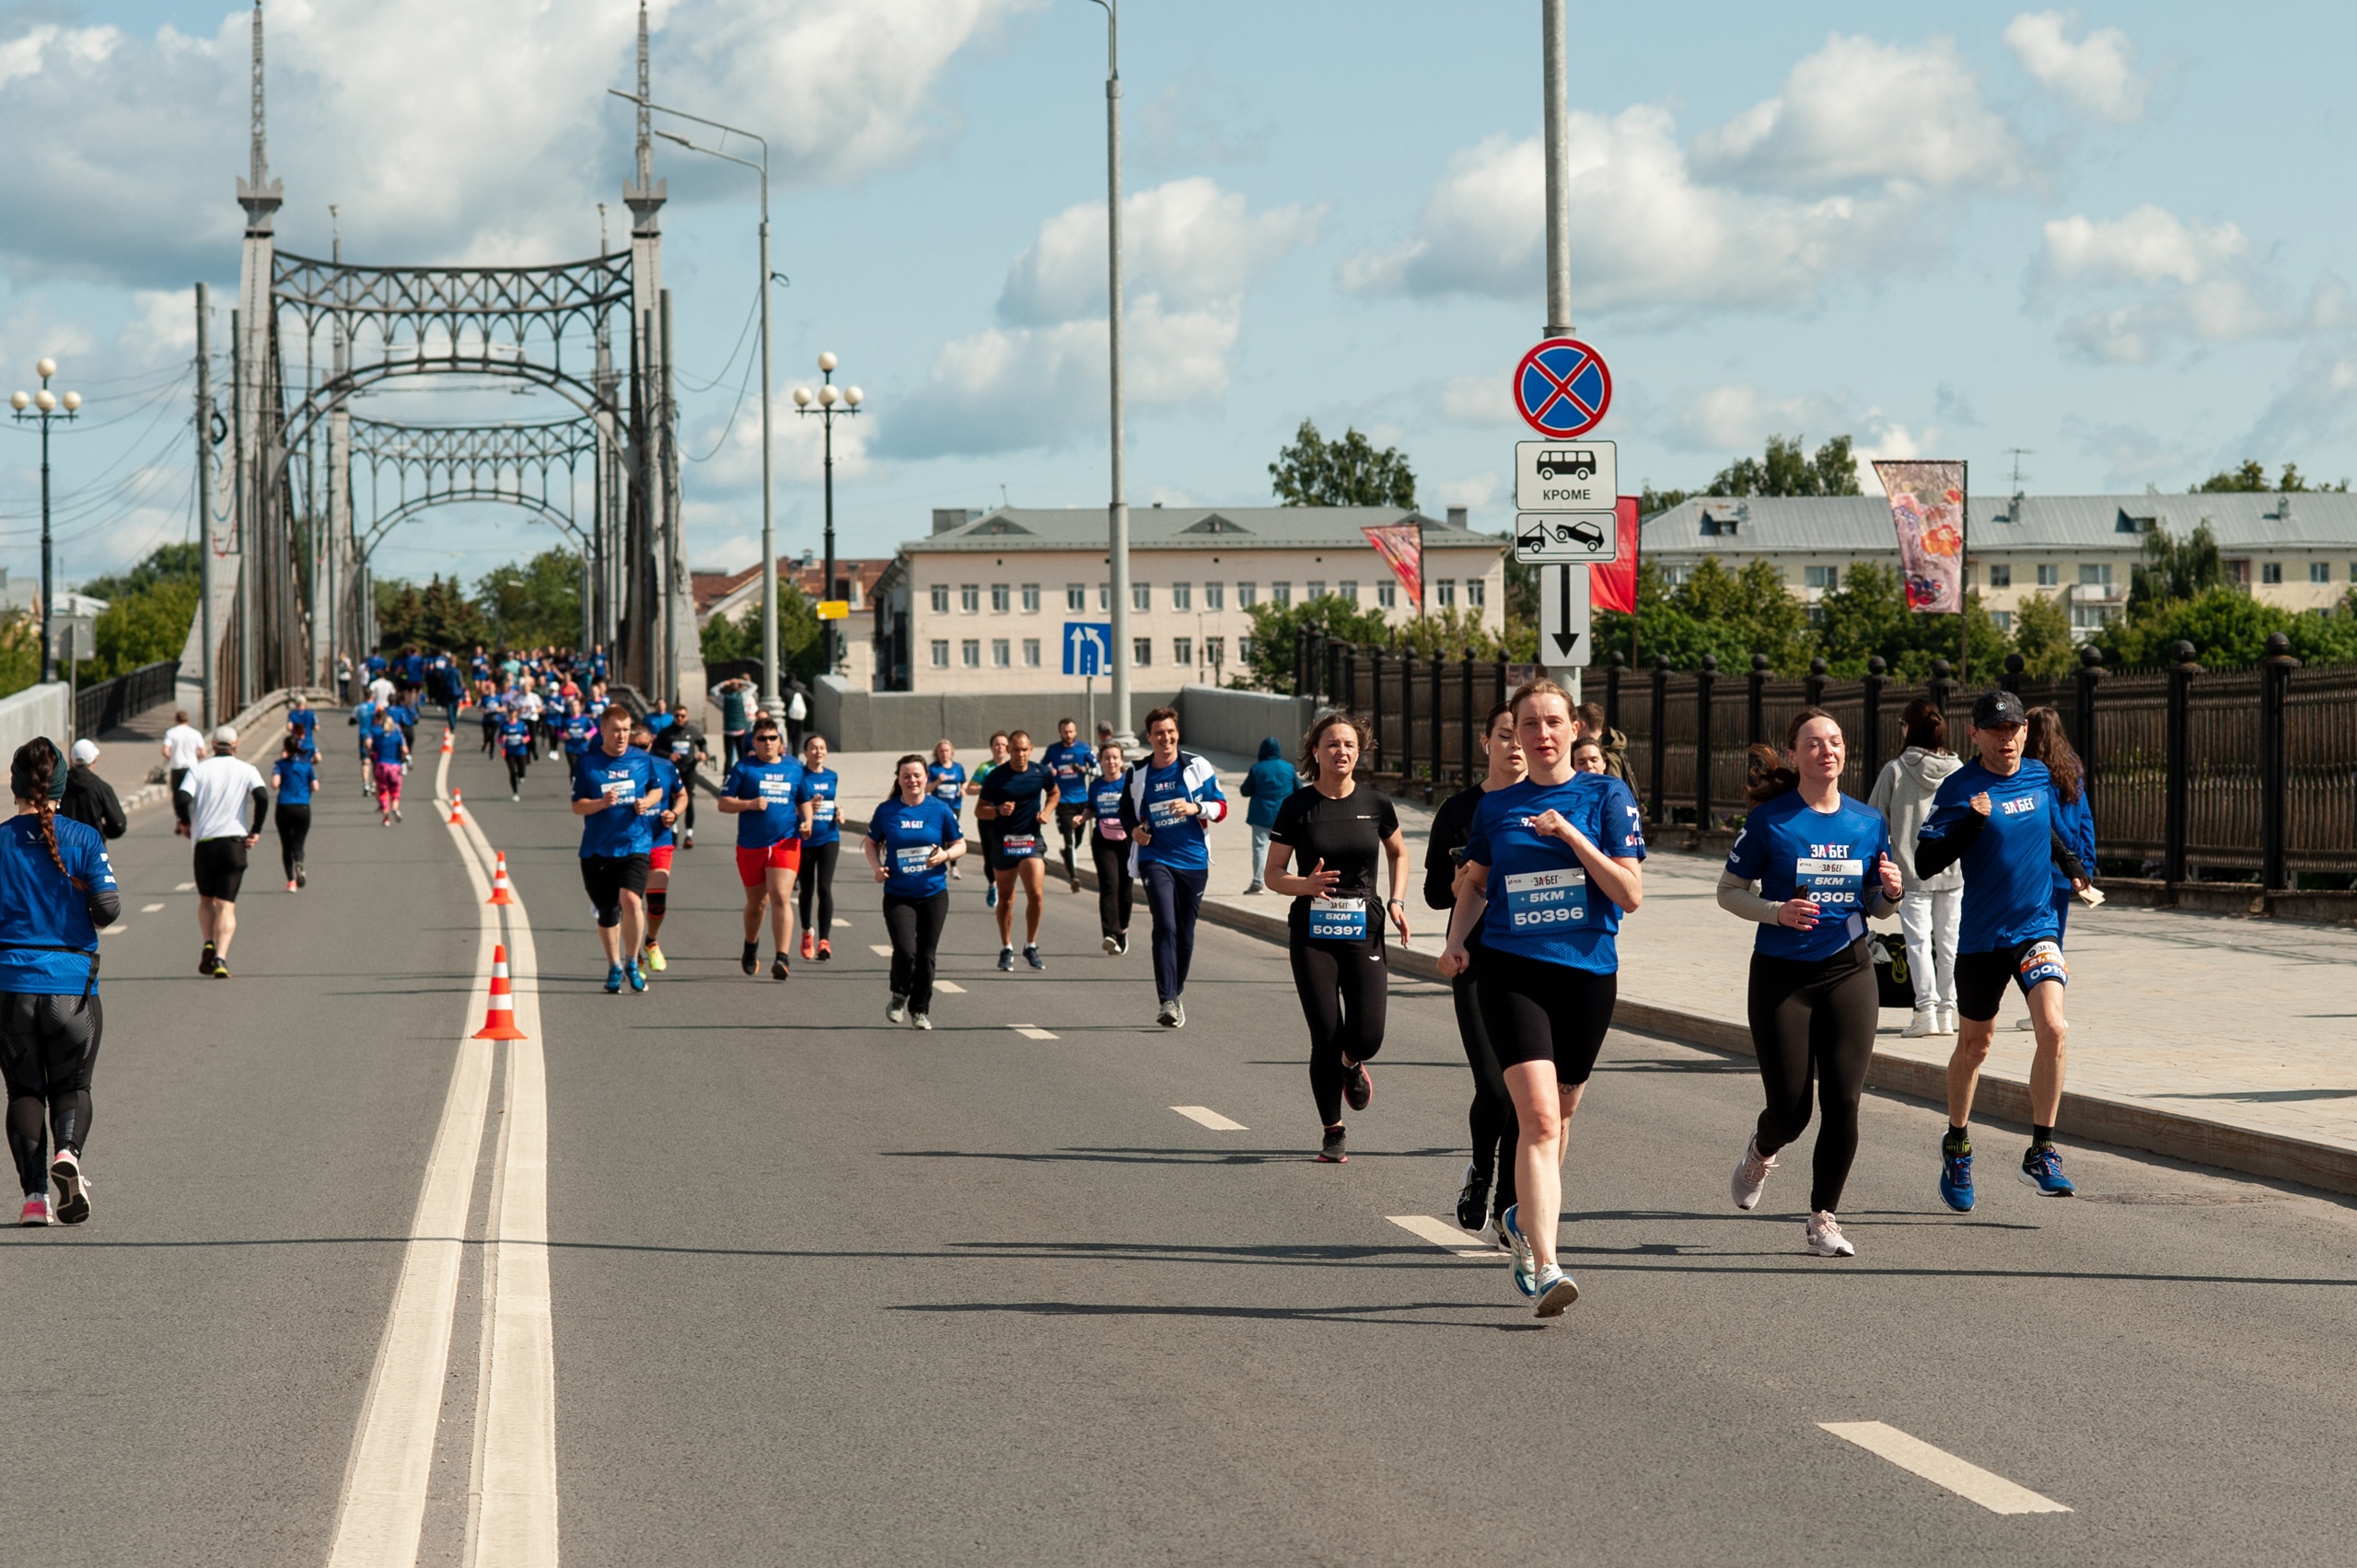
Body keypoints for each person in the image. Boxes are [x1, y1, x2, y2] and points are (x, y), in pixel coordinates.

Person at [1439, 679, 1645, 1318]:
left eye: (1554, 722)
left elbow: (1629, 893)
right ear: (1516, 734)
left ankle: (1525, 1214)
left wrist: (1571, 837)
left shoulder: (1606, 794)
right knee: (1540, 1118)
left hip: (1586, 974)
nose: (1543, 734)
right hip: (1513, 972)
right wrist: (1454, 941)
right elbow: (1473, 883)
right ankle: (1546, 1260)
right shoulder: (1497, 808)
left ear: (1574, 728)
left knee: (1564, 1110)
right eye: (1529, 724)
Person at [1720, 710, 1904, 1260]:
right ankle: (1762, 1148)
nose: (1828, 751)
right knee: (1792, 1110)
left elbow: (1876, 907)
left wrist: (1890, 893)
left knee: (1844, 1100)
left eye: (1836, 742)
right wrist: (1776, 911)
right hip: (1782, 975)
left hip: (1849, 968)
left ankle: (1823, 1217)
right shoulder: (1771, 821)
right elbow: (1729, 891)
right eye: (1815, 744)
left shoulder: (1867, 822)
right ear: (1795, 755)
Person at [1916, 690, 2092, 1211]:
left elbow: (2048, 834)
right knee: (1975, 1047)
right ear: (1975, 735)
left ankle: (2041, 1150)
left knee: (2055, 1029)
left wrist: (2074, 866)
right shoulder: (1959, 788)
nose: (2007, 738)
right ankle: (1957, 1144)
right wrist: (1971, 821)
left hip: (2036, 928)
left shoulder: (2038, 774)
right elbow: (1926, 862)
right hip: (1983, 940)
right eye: (1996, 730)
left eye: (2014, 728)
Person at [1263, 713, 1410, 1163]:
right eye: (1331, 744)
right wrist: (1304, 886)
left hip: (1364, 926)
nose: (1341, 751)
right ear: (1315, 752)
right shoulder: (1298, 807)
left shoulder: (1377, 803)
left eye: (1349, 744)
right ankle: (1333, 1130)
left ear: (1359, 751)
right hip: (1312, 932)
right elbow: (1272, 874)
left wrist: (1398, 901)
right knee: (1325, 1034)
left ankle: (1352, 1065)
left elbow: (1399, 852)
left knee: (1368, 1034)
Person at [0, 738, 118, 1225]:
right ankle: (67, 1155)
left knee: (24, 1092)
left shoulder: (1, 839)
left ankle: (33, 1200)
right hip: (72, 990)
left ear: (15, 785)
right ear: (61, 788)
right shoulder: (85, 839)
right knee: (73, 1087)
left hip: (11, 989)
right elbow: (108, 910)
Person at [1425, 703, 1523, 1242]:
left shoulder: (1545, 807)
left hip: (1533, 962)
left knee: (1526, 1091)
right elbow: (1435, 894)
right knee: (1494, 1086)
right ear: (1486, 743)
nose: (1515, 745)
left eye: (1522, 734)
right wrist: (1463, 880)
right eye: (1504, 736)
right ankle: (1480, 1172)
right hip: (1476, 960)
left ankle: (1511, 1205)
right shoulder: (1460, 810)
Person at [1120, 707, 1228, 1028]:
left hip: (1193, 860)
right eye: (1158, 733)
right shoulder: (1138, 772)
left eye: (1170, 732)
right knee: (1165, 924)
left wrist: (1195, 807)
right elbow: (1126, 811)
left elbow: (1221, 809)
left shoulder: (1197, 766)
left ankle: (1176, 992)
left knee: (1185, 933)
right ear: (1149, 737)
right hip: (1156, 858)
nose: (1165, 738)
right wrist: (1133, 831)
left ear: (1177, 733)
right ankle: (1166, 1000)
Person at [1869, 698, 1963, 1038]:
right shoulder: (1959, 770)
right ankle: (1948, 1011)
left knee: (1918, 943)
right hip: (1954, 872)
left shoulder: (1895, 770)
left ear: (1910, 728)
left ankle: (1925, 1012)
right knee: (1950, 944)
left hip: (1909, 872)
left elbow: (1875, 819)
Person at [865, 753, 966, 1028]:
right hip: (899, 894)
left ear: (926, 778)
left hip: (933, 893)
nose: (912, 780)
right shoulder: (887, 810)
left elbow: (961, 843)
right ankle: (899, 995)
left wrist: (945, 855)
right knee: (906, 950)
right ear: (899, 779)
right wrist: (877, 868)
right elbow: (871, 843)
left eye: (917, 775)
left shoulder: (940, 809)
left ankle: (919, 1010)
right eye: (906, 776)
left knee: (926, 955)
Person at [572, 704, 664, 993]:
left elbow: (657, 789)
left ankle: (632, 962)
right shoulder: (588, 763)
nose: (622, 736)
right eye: (616, 730)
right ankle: (613, 967)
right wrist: (601, 803)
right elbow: (576, 805)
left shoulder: (641, 759)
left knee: (633, 901)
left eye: (625, 730)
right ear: (603, 731)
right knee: (608, 912)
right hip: (597, 850)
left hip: (635, 843)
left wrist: (648, 802)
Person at [2021, 705, 2098, 1032]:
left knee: (2040, 943)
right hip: (2068, 870)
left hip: (2046, 867)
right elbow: (2084, 817)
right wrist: (2085, 860)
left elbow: (2051, 821)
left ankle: (2044, 1010)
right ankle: (2054, 1008)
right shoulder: (2072, 766)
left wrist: (2069, 857)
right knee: (2057, 941)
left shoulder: (2035, 771)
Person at [176, 726, 268, 980]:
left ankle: (208, 941)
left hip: (204, 843)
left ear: (214, 744)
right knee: (226, 905)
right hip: (234, 843)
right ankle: (221, 958)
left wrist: (185, 822)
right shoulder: (247, 770)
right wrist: (255, 830)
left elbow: (182, 798)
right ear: (236, 745)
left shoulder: (199, 769)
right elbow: (262, 797)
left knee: (206, 900)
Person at [718, 718, 803, 980]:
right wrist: (749, 804)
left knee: (779, 896)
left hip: (786, 842)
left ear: (781, 742)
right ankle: (751, 944)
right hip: (751, 845)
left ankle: (782, 958)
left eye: (772, 738)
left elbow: (804, 800)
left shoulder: (795, 768)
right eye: (762, 739)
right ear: (753, 742)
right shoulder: (744, 768)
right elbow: (723, 803)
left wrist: (809, 820)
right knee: (757, 904)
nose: (768, 743)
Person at [978, 729, 1058, 971]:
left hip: (1031, 841)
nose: (1020, 754)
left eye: (1024, 749)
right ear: (1009, 750)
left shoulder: (1040, 772)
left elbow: (1054, 793)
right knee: (1007, 899)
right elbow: (980, 810)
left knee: (1036, 893)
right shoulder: (996, 776)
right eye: (1016, 750)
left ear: (1031, 749)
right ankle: (1006, 947)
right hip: (1004, 843)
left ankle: (1030, 945)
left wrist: (1046, 812)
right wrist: (998, 810)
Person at [632, 718, 685, 973]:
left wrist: (674, 814)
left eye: (643, 745)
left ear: (651, 743)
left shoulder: (665, 767)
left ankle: (651, 942)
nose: (639, 751)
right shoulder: (620, 768)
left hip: (659, 841)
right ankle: (634, 959)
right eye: (634, 746)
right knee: (631, 905)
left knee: (656, 904)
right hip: (629, 844)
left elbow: (682, 795)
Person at [795, 735, 841, 960]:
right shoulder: (799, 776)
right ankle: (806, 932)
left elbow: (832, 801)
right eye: (813, 748)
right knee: (807, 889)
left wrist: (839, 811)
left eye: (822, 748)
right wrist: (806, 808)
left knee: (824, 887)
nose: (818, 752)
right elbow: (790, 806)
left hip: (829, 836)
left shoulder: (832, 776)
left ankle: (824, 940)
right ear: (805, 752)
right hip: (805, 838)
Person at [1088, 741, 1134, 955]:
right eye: (1107, 758)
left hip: (1127, 839)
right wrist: (1082, 817)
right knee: (1109, 884)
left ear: (1121, 760)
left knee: (1125, 889)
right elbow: (1090, 808)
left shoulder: (1129, 783)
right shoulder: (1096, 785)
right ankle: (1110, 933)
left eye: (1115, 757)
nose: (1111, 762)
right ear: (1100, 761)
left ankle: (1122, 931)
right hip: (1103, 840)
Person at [1042, 717, 1093, 893]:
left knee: (1078, 839)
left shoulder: (1084, 748)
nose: (1068, 735)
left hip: (1082, 801)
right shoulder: (1053, 750)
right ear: (1060, 733)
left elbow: (1098, 768)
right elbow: (1042, 767)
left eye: (1071, 731)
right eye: (1065, 732)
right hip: (1063, 802)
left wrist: (1083, 769)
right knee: (1069, 839)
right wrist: (1050, 771)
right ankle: (1073, 877)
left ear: (1075, 732)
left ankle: (1066, 854)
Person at [1239, 737, 1295, 895]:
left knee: (1260, 848)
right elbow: (1298, 789)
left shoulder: (1257, 769)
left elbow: (1245, 791)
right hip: (1284, 816)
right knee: (1286, 848)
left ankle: (1258, 883)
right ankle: (1285, 883)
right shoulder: (1289, 768)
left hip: (1261, 815)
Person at [966, 732, 1011, 907]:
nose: (1000, 747)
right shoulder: (985, 767)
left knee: (1007, 853)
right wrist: (986, 789)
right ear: (991, 748)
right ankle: (992, 885)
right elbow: (970, 788)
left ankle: (1005, 885)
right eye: (996, 744)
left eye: (1003, 744)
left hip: (1007, 817)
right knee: (989, 854)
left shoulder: (1012, 766)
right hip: (987, 815)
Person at [272, 735, 317, 890]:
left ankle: (291, 881)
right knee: (298, 843)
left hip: (284, 806)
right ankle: (299, 861)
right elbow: (315, 786)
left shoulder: (279, 765)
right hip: (303, 806)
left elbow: (274, 783)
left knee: (286, 844)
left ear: (285, 748)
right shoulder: (307, 765)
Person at [59, 739, 125, 842]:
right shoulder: (101, 788)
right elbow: (118, 824)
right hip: (94, 848)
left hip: (63, 849)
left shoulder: (58, 786)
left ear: (72, 760)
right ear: (94, 760)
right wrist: (102, 830)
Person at [662, 702, 705, 849]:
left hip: (689, 770)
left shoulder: (692, 731)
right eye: (677, 716)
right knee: (670, 801)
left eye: (683, 716)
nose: (680, 718)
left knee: (689, 801)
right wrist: (668, 755)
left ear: (687, 717)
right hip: (672, 771)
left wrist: (703, 753)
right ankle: (673, 831)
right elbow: (656, 749)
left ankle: (689, 834)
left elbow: (702, 742)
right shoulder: (666, 732)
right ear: (673, 716)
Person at [926, 740, 968, 880]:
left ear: (951, 752)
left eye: (946, 751)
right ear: (936, 753)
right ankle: (940, 864)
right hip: (938, 807)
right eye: (941, 751)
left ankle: (954, 867)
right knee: (940, 836)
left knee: (953, 835)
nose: (944, 754)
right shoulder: (933, 768)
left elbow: (964, 782)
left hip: (954, 806)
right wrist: (938, 781)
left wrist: (963, 790)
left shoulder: (958, 768)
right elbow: (927, 789)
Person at [370, 708, 411, 825]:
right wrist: (402, 758)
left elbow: (373, 751)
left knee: (383, 791)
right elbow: (405, 750)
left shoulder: (378, 737)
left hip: (381, 766)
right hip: (395, 766)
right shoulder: (397, 736)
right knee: (395, 790)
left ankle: (386, 818)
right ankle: (395, 806)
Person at [1575, 702, 1632, 784]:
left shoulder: (1609, 755)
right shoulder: (1609, 748)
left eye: (1594, 760)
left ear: (1581, 725)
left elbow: (1613, 790)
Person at [160, 710, 205, 796]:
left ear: (176, 720)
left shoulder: (171, 733)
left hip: (177, 767)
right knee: (191, 794)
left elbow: (165, 751)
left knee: (177, 795)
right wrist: (195, 757)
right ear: (188, 721)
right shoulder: (195, 733)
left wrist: (172, 757)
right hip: (192, 767)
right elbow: (203, 752)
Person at [714, 675, 753, 772]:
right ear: (739, 688)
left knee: (729, 756)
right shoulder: (743, 696)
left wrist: (724, 682)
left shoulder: (724, 698)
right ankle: (743, 773)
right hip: (740, 730)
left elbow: (713, 690)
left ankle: (727, 776)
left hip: (728, 731)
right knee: (741, 754)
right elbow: (754, 686)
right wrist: (741, 681)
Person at [500, 701, 534, 800]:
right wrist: (502, 739)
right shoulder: (504, 725)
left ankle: (521, 775)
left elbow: (528, 736)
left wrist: (525, 740)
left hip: (521, 750)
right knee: (511, 771)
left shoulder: (521, 724)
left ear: (516, 713)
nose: (511, 714)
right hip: (509, 751)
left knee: (521, 770)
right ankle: (515, 792)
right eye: (509, 712)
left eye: (513, 712)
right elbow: (499, 738)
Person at [285, 692, 319, 761]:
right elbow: (316, 728)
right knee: (318, 758)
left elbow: (289, 727)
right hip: (308, 742)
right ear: (305, 703)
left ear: (296, 704)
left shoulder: (292, 714)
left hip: (295, 743)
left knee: (285, 756)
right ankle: (308, 764)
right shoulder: (311, 713)